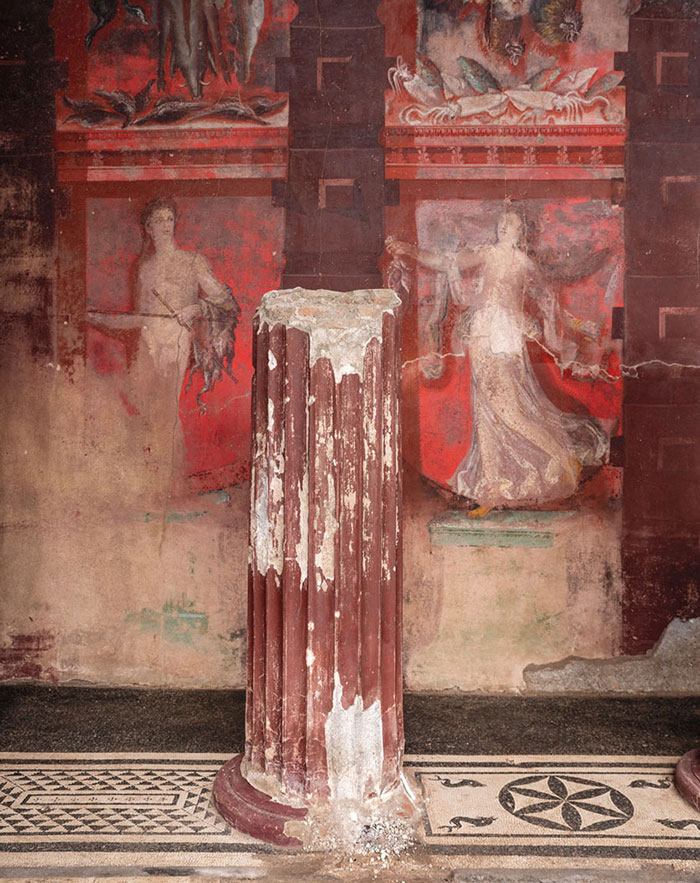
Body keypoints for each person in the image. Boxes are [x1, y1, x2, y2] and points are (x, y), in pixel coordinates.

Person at [387, 210, 608, 516]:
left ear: (522, 231)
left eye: (513, 222)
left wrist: (571, 326)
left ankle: (561, 453)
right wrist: (410, 250)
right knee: (484, 414)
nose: (505, 225)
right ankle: (491, 488)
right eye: (502, 221)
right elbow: (446, 261)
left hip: (505, 338)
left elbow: (547, 301)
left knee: (510, 410)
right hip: (482, 334)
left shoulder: (523, 262)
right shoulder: (487, 253)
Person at [90, 197, 239, 499]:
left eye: (169, 219)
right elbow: (141, 318)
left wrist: (194, 308)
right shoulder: (144, 268)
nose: (165, 226)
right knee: (144, 410)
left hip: (175, 341)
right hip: (148, 342)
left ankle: (172, 490)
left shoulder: (191, 261)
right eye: (158, 220)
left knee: (166, 412)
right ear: (147, 228)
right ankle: (150, 486)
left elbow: (226, 301)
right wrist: (98, 319)